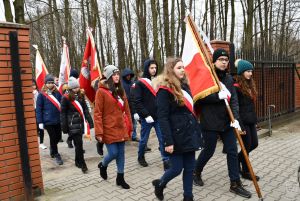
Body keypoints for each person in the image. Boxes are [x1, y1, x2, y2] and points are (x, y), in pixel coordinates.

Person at [193, 49, 252, 198]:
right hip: (210, 121)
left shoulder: (229, 79)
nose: (224, 62)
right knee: (209, 150)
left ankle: (235, 183)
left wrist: (236, 120)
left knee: (232, 151)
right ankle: (196, 171)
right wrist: (216, 97)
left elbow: (234, 100)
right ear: (214, 61)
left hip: (227, 121)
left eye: (226, 60)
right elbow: (198, 98)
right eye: (221, 59)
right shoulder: (206, 77)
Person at [152, 58, 202, 201]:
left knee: (190, 168)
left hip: (189, 134)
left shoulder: (185, 86)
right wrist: (168, 142)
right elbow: (163, 118)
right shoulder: (164, 90)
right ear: (171, 69)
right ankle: (160, 184)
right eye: (179, 67)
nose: (182, 70)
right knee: (176, 169)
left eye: (183, 67)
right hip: (175, 136)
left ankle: (188, 196)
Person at [94, 65, 132, 189]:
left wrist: (130, 126)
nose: (116, 76)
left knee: (121, 153)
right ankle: (103, 165)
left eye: (117, 74)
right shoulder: (101, 91)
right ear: (109, 76)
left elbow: (127, 110)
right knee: (114, 153)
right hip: (108, 128)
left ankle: (120, 178)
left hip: (121, 127)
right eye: (114, 74)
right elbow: (97, 113)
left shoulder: (120, 90)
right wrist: (99, 132)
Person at [134, 58, 169, 169]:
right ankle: (140, 157)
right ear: (146, 68)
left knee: (162, 139)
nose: (154, 70)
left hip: (158, 116)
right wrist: (145, 115)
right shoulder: (140, 83)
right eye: (151, 68)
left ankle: (165, 159)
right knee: (144, 140)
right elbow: (137, 101)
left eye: (155, 68)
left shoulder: (158, 81)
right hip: (147, 118)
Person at [60, 77, 94, 173]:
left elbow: (85, 110)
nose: (76, 89)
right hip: (72, 125)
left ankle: (77, 161)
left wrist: (90, 122)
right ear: (70, 88)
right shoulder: (65, 98)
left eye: (77, 87)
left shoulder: (81, 96)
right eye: (74, 88)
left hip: (80, 123)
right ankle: (83, 164)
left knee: (78, 145)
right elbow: (63, 113)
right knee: (79, 145)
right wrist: (64, 127)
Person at [234, 59, 259, 181]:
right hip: (243, 122)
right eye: (248, 71)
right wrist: (240, 126)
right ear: (242, 72)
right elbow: (236, 108)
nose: (250, 73)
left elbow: (251, 106)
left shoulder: (250, 84)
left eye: (251, 71)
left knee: (254, 144)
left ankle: (237, 160)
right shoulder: (236, 87)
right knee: (247, 145)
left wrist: (255, 120)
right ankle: (245, 171)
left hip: (250, 120)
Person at [36, 74, 63, 165]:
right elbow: (39, 109)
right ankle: (56, 154)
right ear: (45, 83)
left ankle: (52, 148)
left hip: (57, 119)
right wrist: (40, 122)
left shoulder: (57, 92)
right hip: (48, 120)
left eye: (52, 82)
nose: (51, 84)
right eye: (49, 83)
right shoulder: (41, 95)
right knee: (53, 137)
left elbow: (61, 103)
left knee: (58, 137)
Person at [121, 67, 139, 142]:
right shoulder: (121, 84)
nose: (128, 76)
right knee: (125, 122)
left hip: (133, 105)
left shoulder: (132, 83)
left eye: (129, 75)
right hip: (125, 106)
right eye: (127, 75)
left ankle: (133, 135)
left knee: (134, 122)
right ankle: (125, 135)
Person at [32, 79, 47, 150]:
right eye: (31, 85)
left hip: (38, 111)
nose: (32, 86)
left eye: (33, 84)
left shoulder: (39, 93)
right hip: (31, 112)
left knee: (41, 127)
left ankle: (41, 143)